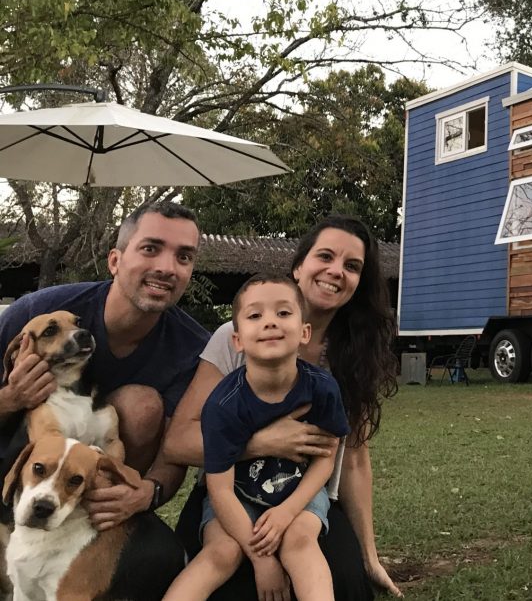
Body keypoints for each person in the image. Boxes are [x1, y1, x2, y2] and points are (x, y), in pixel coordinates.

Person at [167, 215, 402, 600]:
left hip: (303, 493)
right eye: (325, 256)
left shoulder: (352, 354)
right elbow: (177, 442)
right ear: (299, 265)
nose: (336, 271)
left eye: (352, 266)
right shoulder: (235, 336)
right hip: (229, 487)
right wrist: (261, 443)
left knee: (345, 581)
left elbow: (354, 459)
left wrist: (369, 555)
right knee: (230, 581)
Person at [0, 201, 208, 598]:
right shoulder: (35, 315)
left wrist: (147, 492)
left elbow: (175, 451)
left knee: (143, 404)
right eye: (151, 248)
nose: (167, 266)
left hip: (91, 483)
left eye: (184, 256)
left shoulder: (192, 349)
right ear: (115, 259)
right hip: (11, 471)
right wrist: (11, 398)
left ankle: (99, 521)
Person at [165, 274, 349, 601]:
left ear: (304, 332)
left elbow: (326, 458)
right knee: (221, 552)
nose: (269, 323)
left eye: (283, 313)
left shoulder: (322, 389)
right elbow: (219, 488)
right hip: (235, 493)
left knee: (300, 544)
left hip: (299, 488)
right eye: (255, 315)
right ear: (237, 340)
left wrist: (287, 511)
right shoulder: (222, 404)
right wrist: (262, 560)